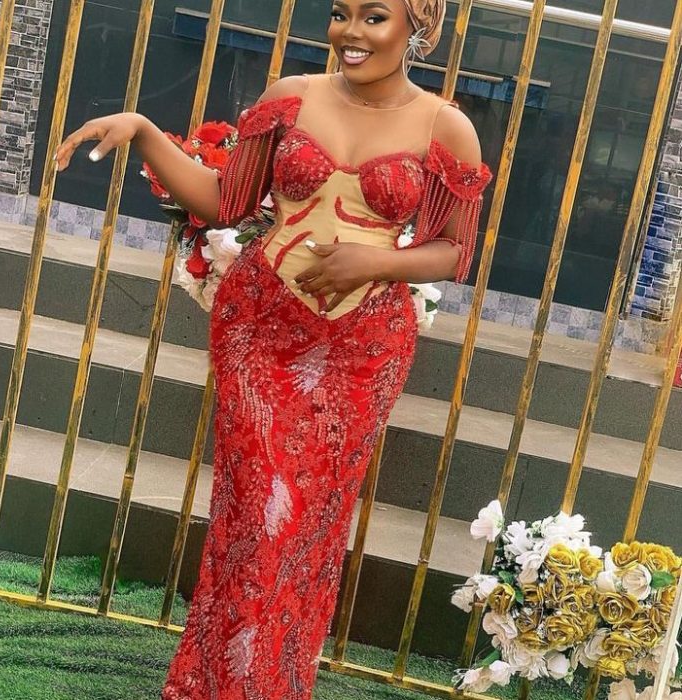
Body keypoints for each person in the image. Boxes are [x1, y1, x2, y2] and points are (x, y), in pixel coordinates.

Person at [55, 0, 493, 697]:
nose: (350, 32)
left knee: (308, 526)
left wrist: (376, 262)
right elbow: (225, 202)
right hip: (261, 327)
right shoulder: (291, 97)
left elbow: (454, 253)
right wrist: (142, 131)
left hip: (362, 349)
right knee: (258, 511)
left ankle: (270, 683)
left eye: (374, 17)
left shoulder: (447, 127)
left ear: (418, 27)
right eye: (341, 13)